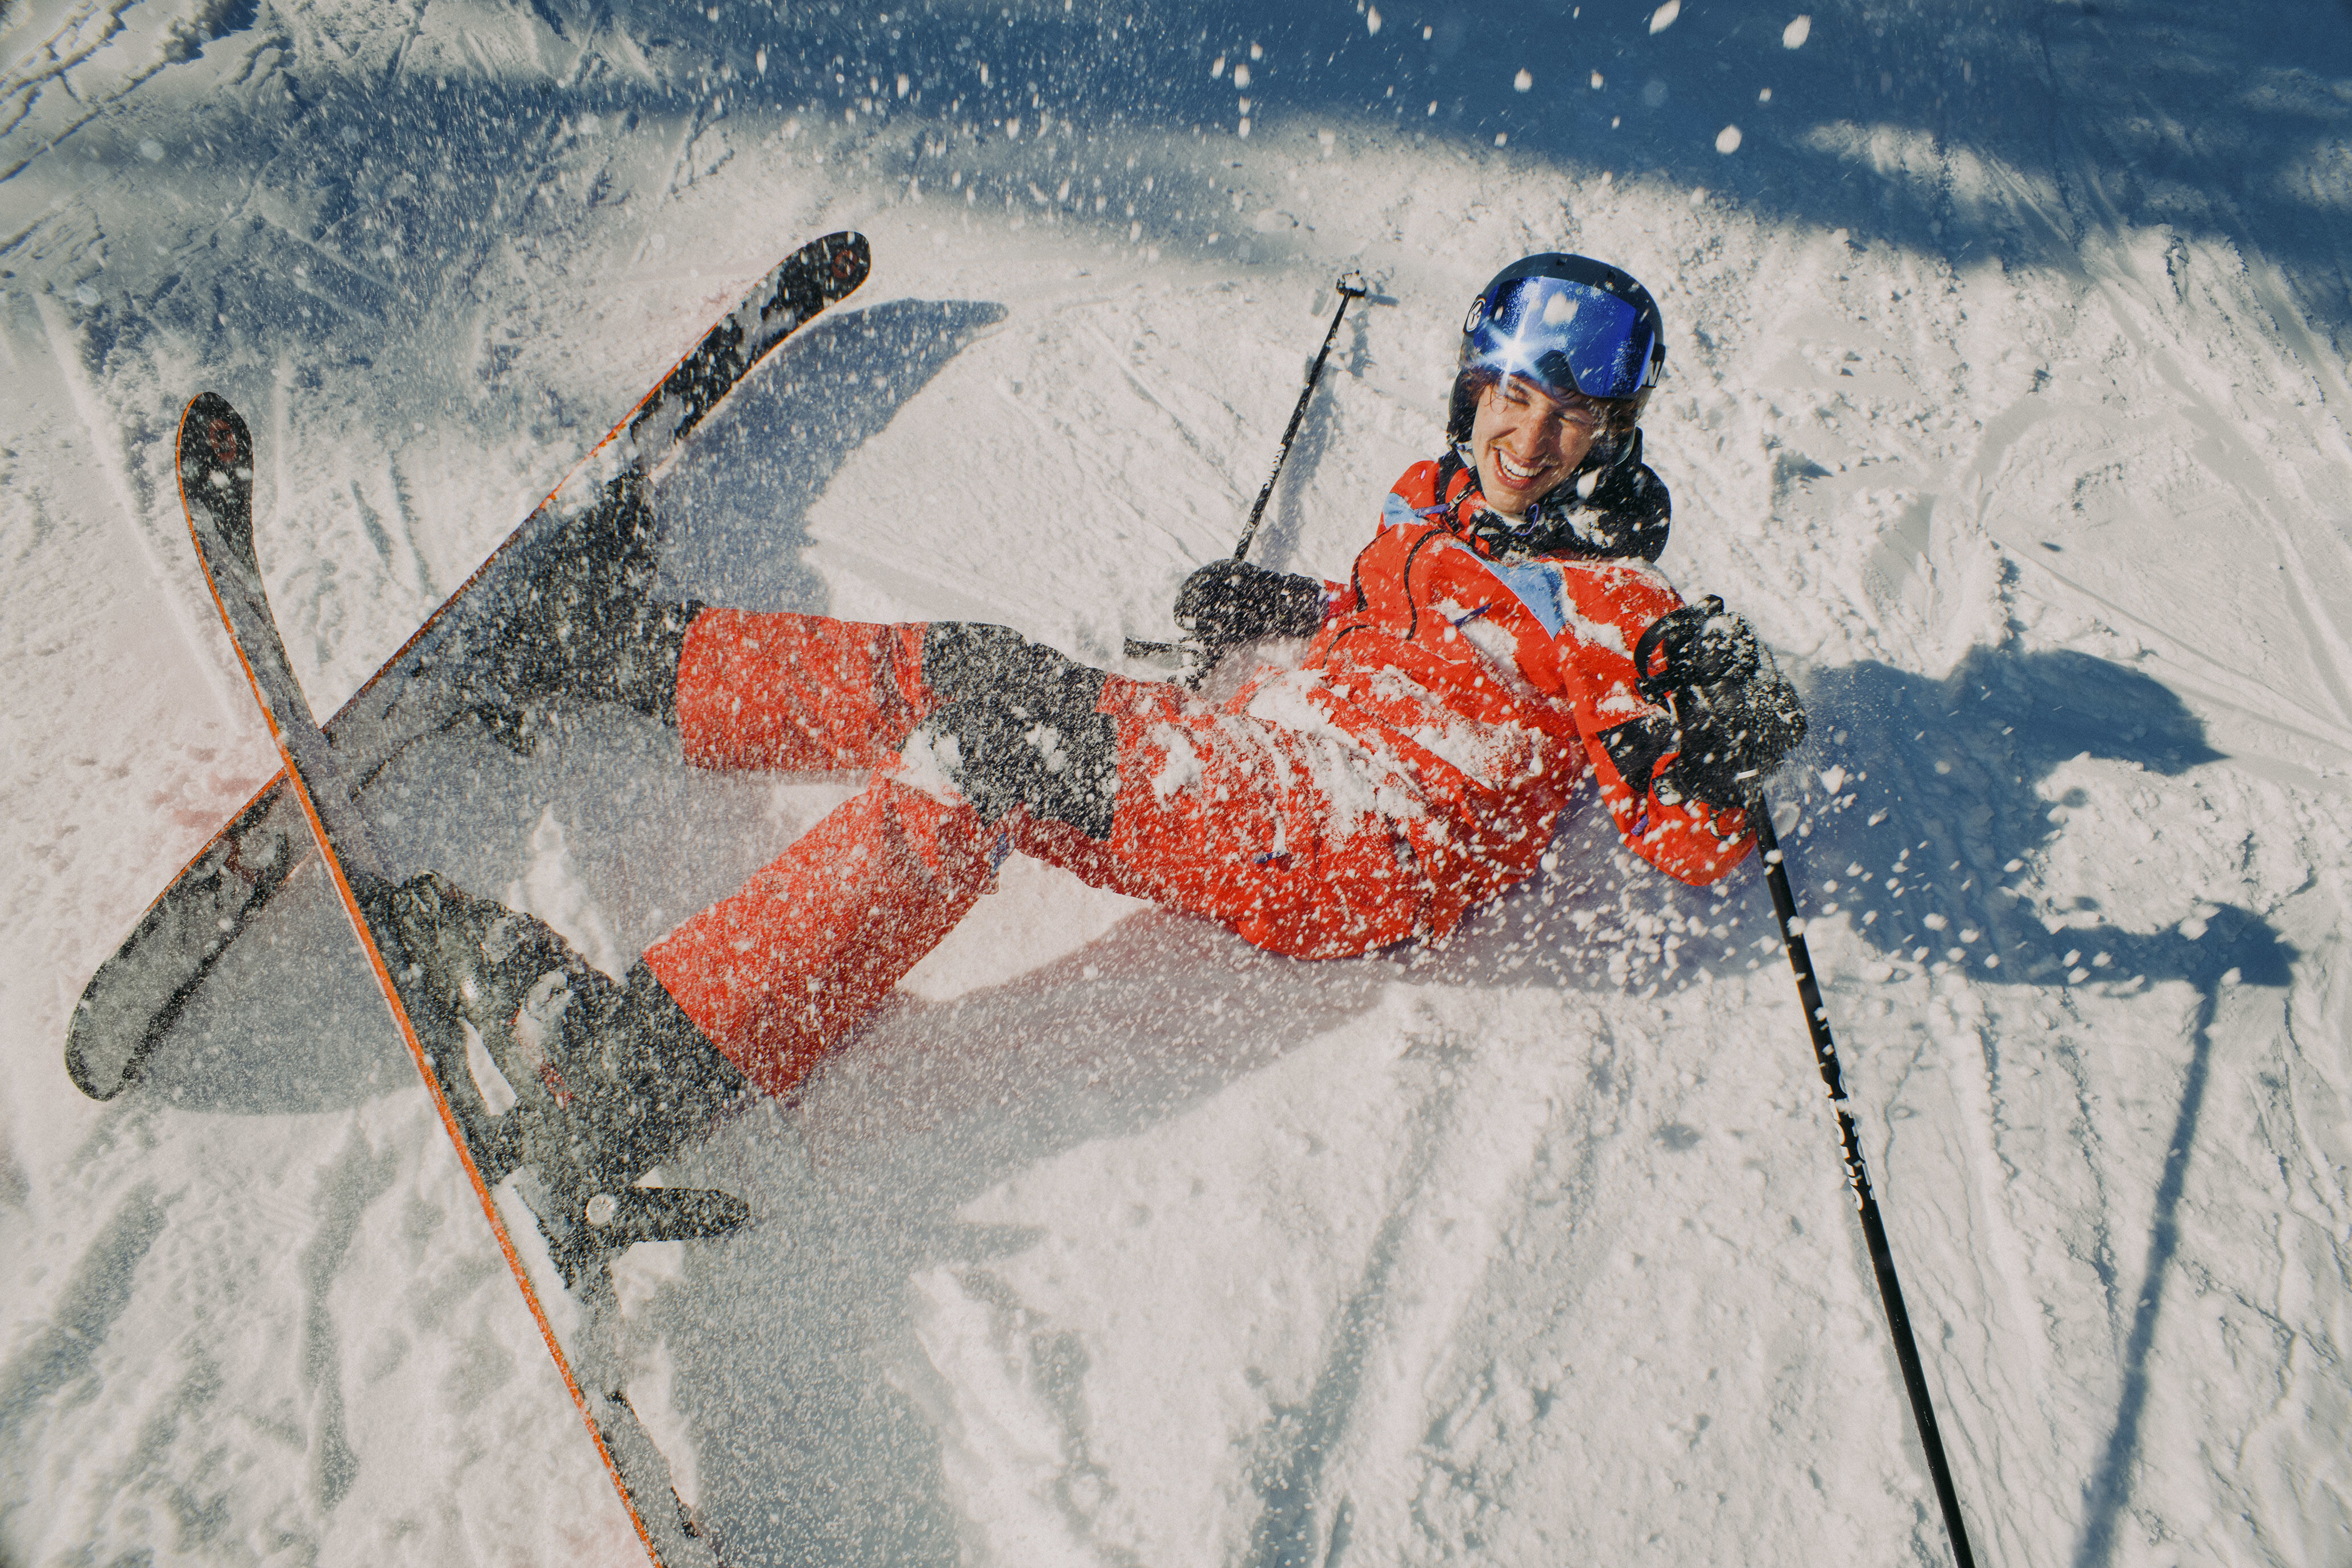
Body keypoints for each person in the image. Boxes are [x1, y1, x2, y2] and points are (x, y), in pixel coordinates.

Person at [390, 253, 1806, 1207]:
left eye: (1573, 418)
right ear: (1473, 387)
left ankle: (620, 1084)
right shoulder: (1432, 498)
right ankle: (622, 651)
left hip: (1341, 843)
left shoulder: (1620, 609)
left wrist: (1726, 741)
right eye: (1513, 397)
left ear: (1618, 432)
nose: (1530, 442)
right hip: (1278, 763)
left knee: (999, 751)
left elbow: (1684, 835)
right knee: (986, 674)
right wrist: (1302, 606)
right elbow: (1408, 628)